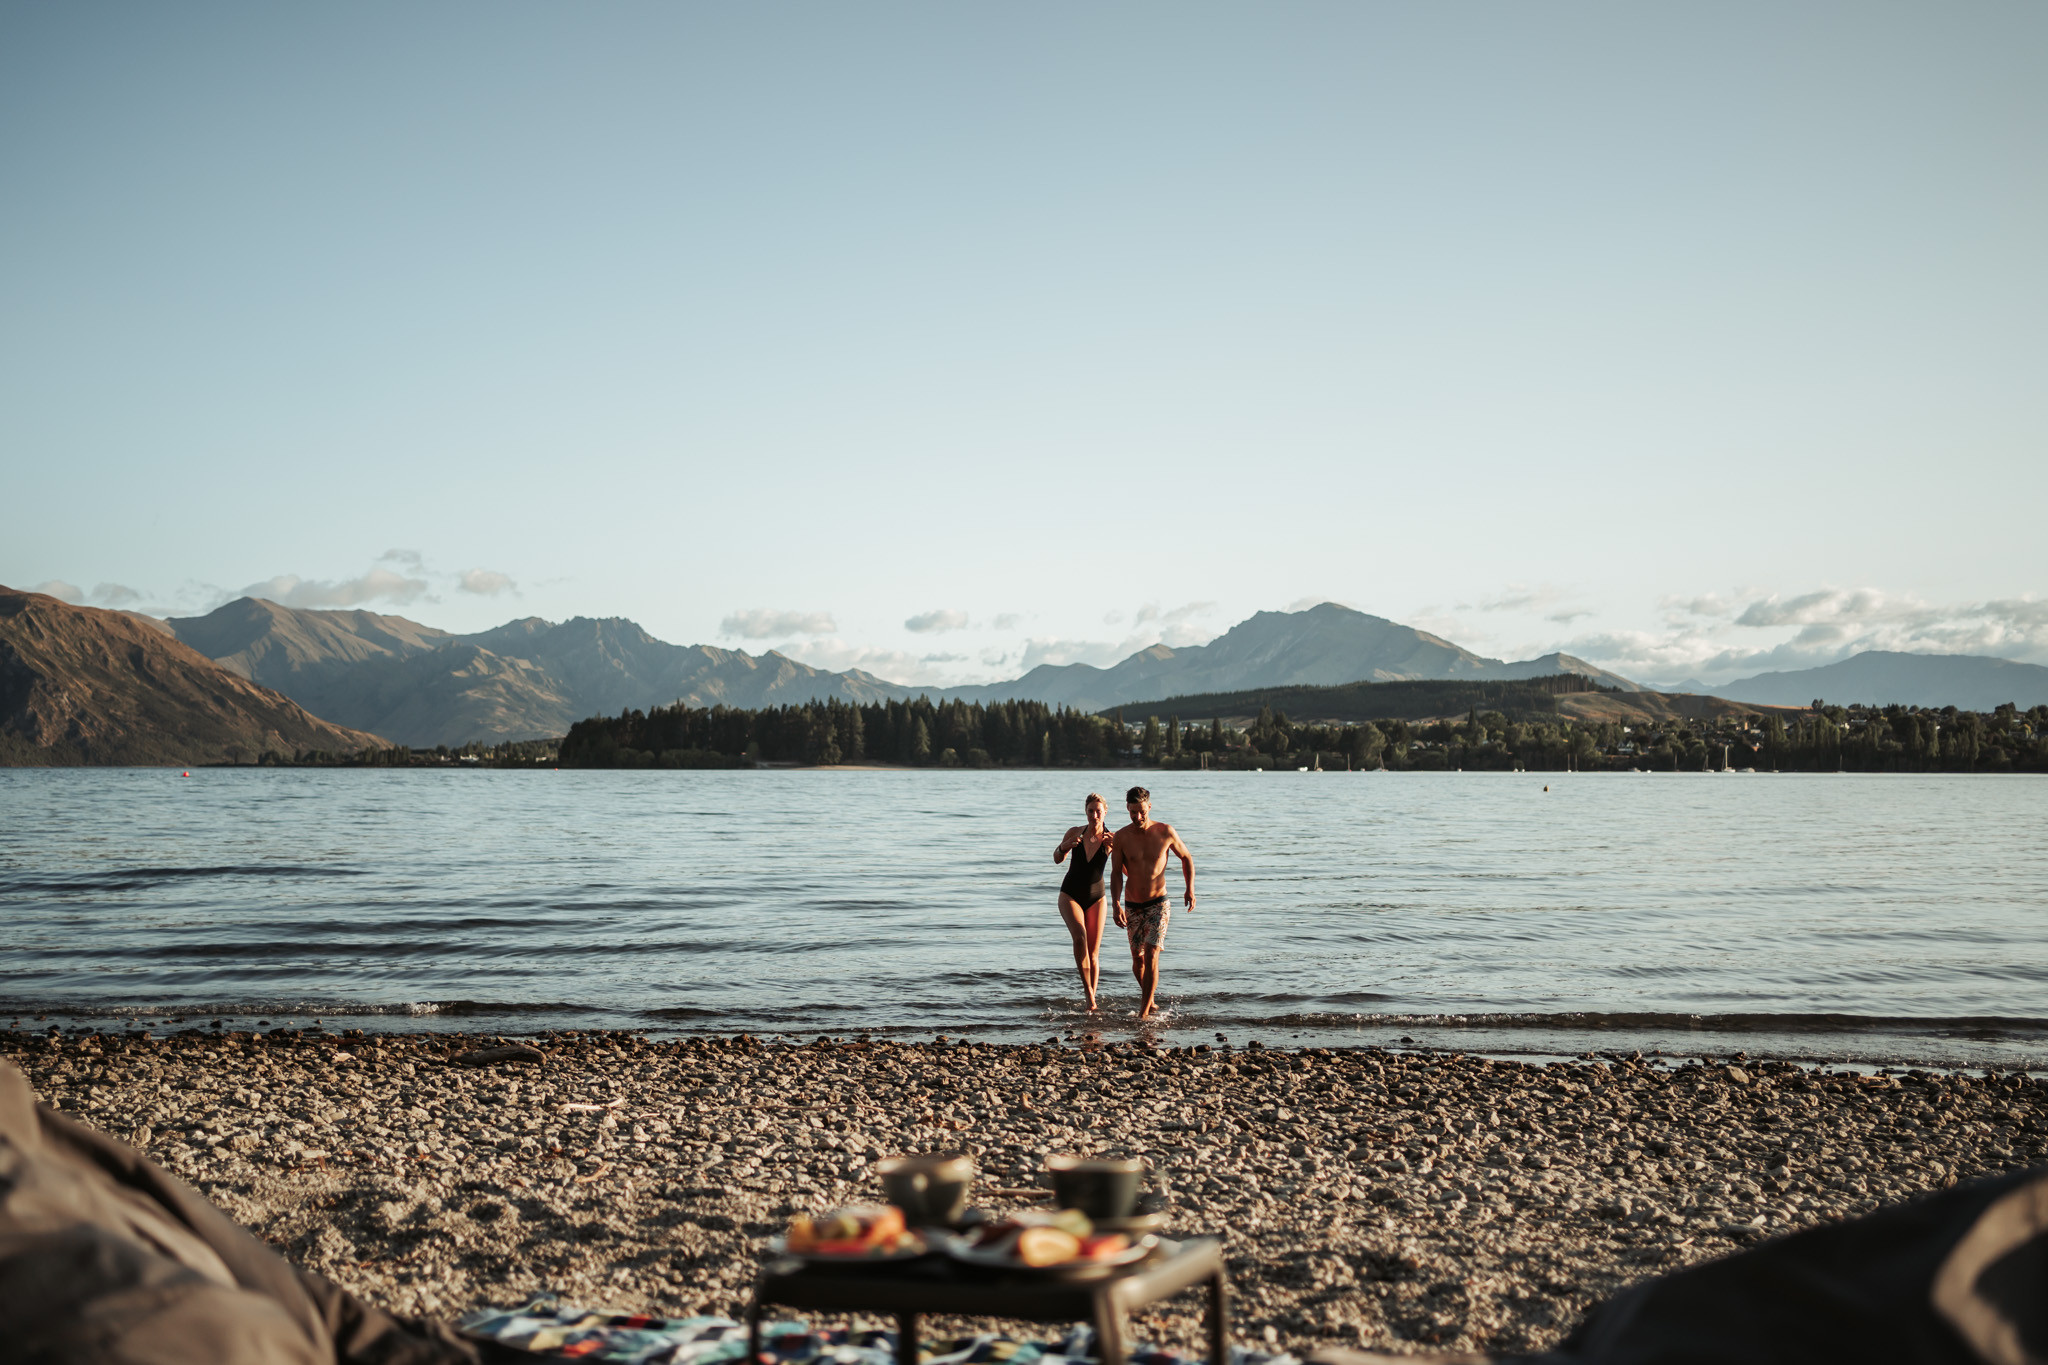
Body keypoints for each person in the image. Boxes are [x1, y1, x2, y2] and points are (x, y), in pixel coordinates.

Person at [1109, 785, 1195, 1020]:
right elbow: (1116, 873)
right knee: (1137, 960)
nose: (1137, 817)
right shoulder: (1122, 837)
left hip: (1159, 903)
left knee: (1151, 953)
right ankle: (1152, 1000)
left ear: (1149, 807)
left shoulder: (1165, 831)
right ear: (1127, 809)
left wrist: (1190, 889)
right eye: (1132, 812)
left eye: (1142, 812)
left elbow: (1186, 857)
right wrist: (1115, 904)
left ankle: (1144, 1012)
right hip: (1132, 905)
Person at [1052, 793, 1114, 1010]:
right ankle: (1089, 996)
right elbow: (1057, 858)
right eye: (1090, 811)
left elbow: (1125, 870)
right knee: (1080, 938)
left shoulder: (1112, 839)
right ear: (1085, 812)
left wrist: (1117, 847)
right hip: (1070, 894)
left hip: (1097, 896)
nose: (1094, 815)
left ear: (1105, 812)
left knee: (1094, 952)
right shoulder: (1074, 832)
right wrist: (1065, 845)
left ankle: (1091, 999)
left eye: (1098, 811)